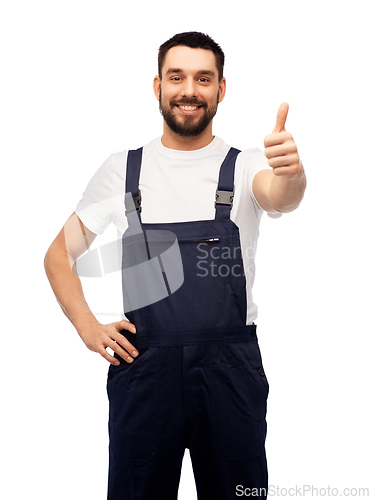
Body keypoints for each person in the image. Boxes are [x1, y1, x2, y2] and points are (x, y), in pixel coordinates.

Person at [44, 31, 306, 500]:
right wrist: (87, 326)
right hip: (144, 372)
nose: (190, 89)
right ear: (157, 87)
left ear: (221, 89)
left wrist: (293, 174)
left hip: (230, 373)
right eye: (177, 77)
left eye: (204, 78)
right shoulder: (123, 170)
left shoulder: (245, 166)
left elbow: (280, 196)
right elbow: (59, 254)